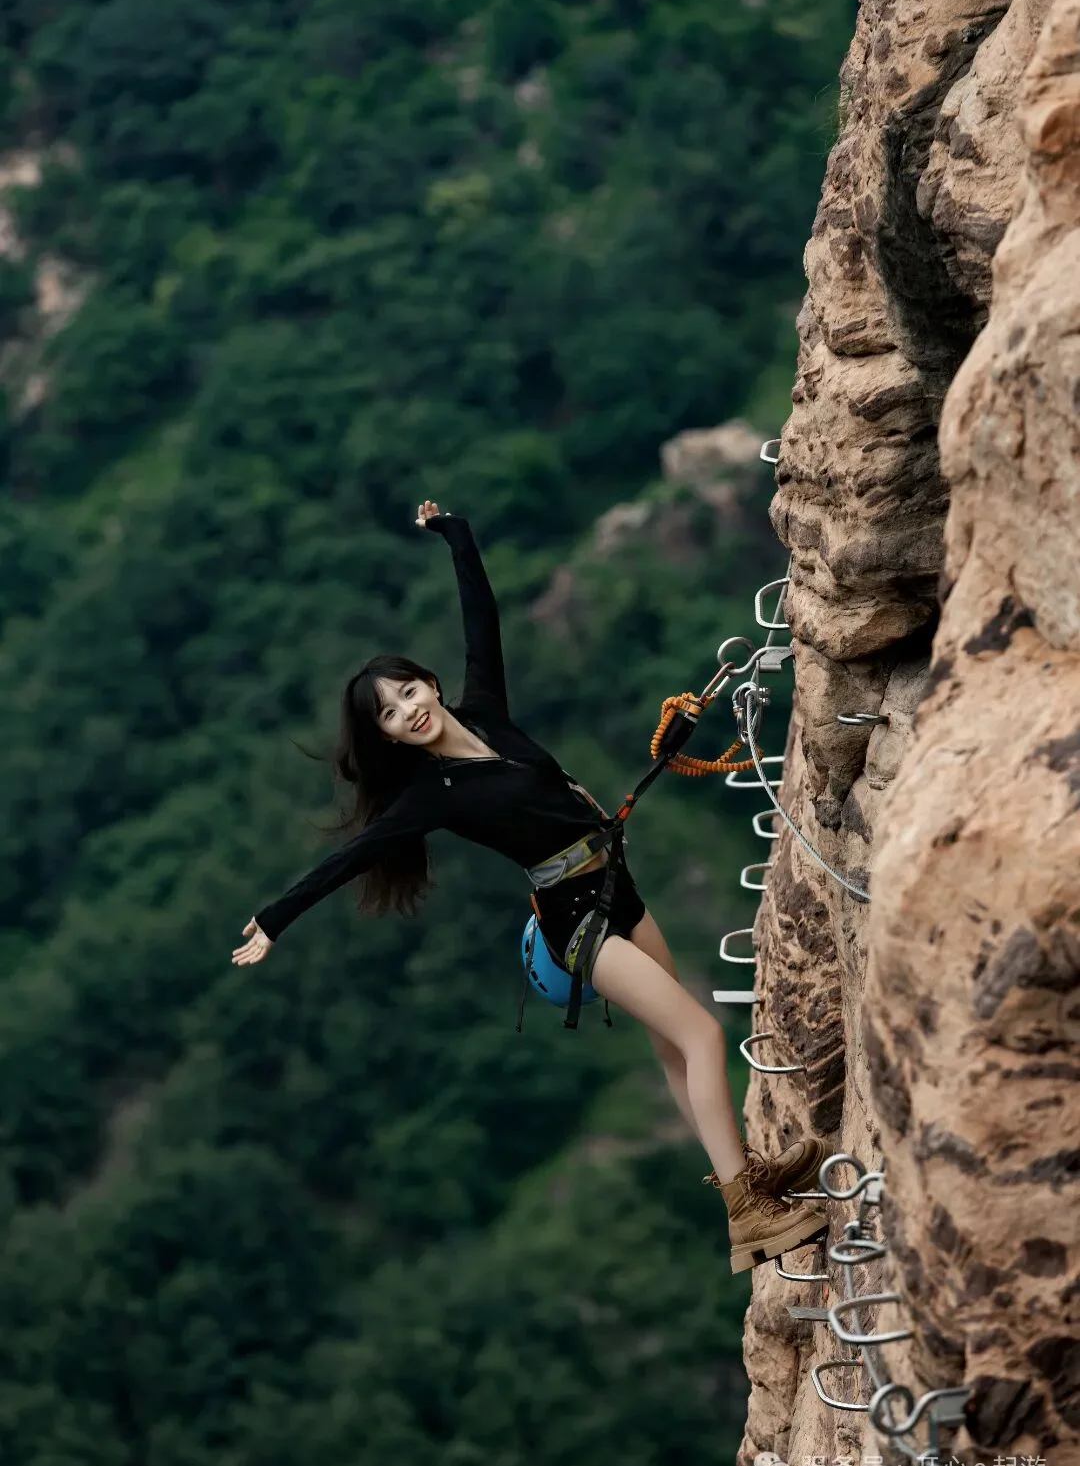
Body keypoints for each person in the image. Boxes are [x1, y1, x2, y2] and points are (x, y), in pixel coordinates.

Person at [232, 500, 827, 1273]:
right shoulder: (429, 794)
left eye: (409, 691)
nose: (407, 710)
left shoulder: (489, 715)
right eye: (388, 713)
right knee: (702, 1034)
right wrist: (275, 920)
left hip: (615, 881)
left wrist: (458, 535)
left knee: (673, 1049)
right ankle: (747, 1212)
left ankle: (741, 1175)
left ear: (430, 684)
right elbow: (355, 853)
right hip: (577, 922)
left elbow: (482, 618)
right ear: (383, 735)